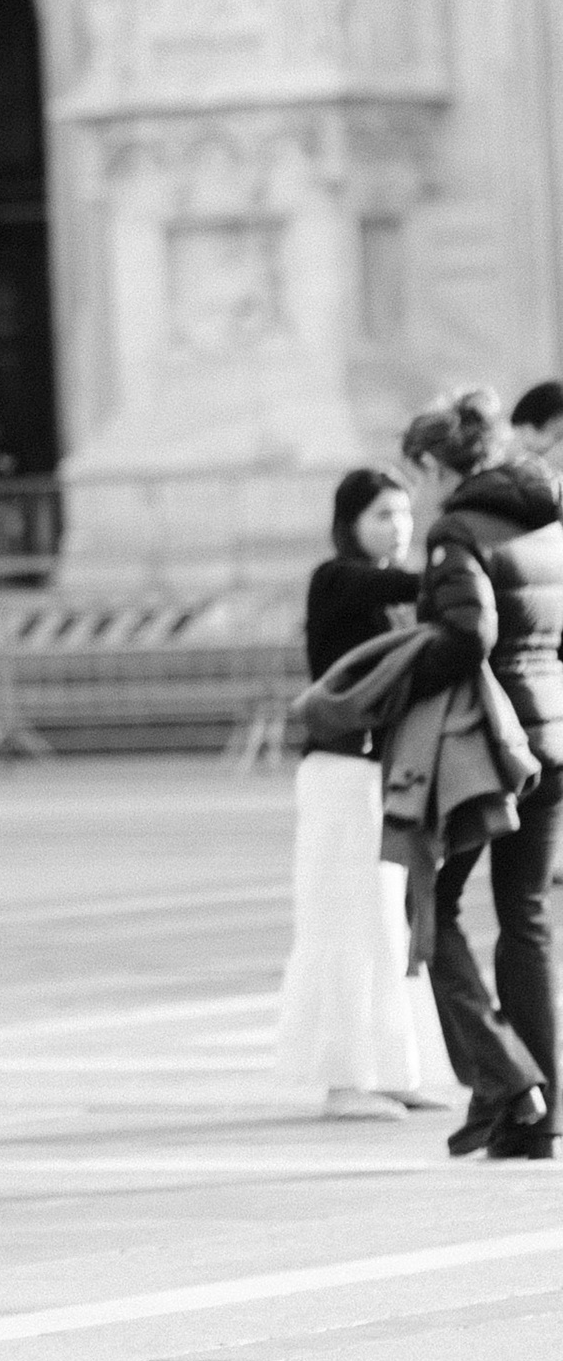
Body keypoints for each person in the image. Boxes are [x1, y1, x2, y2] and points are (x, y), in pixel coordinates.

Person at [402, 386, 563, 1159]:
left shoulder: (456, 529)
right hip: (554, 736)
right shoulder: (548, 520)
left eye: (417, 473)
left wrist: (403, 667)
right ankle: (541, 1119)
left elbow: (467, 633)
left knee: (431, 902)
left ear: (437, 463)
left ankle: (507, 1078)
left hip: (489, 743)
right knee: (525, 918)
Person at [274, 470, 447, 1115]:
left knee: (384, 925)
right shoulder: (339, 578)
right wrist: (462, 552)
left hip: (380, 773)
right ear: (350, 523)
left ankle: (391, 1069)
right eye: (382, 516)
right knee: (342, 920)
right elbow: (409, 581)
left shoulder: (386, 596)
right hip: (339, 774)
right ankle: (344, 1081)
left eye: (404, 514)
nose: (398, 527)